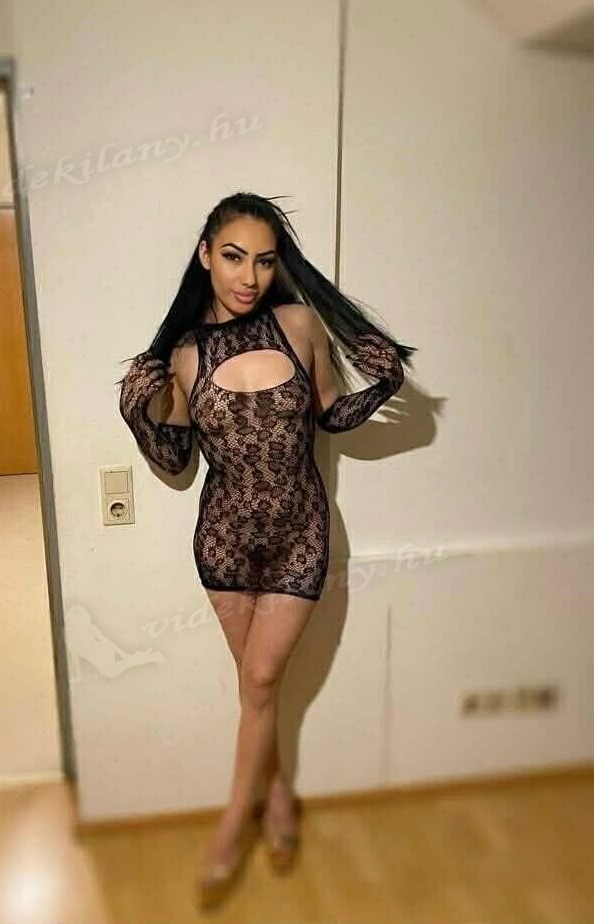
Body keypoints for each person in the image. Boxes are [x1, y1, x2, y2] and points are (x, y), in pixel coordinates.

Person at [116, 191, 416, 906]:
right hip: (223, 544)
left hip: (298, 537)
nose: (248, 276)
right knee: (261, 688)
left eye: (263, 260)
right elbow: (176, 461)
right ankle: (276, 798)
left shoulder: (299, 325)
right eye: (232, 257)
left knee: (257, 683)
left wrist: (385, 382)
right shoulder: (185, 355)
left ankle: (231, 827)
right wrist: (136, 413)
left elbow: (330, 415)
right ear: (205, 255)